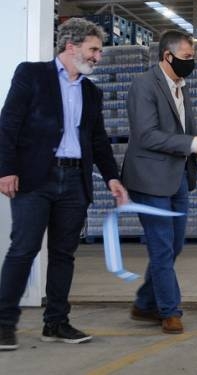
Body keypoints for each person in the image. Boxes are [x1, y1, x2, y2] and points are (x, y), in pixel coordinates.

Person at [0, 18, 128, 351]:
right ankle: (2, 324)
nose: (98, 56)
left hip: (74, 181)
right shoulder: (32, 75)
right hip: (35, 178)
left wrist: (113, 177)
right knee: (24, 250)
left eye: (99, 50)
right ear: (71, 47)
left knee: (63, 255)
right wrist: (6, 169)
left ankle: (56, 323)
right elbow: (8, 124)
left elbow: (98, 140)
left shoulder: (91, 91)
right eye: (94, 49)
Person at [121, 30, 197, 335]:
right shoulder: (143, 86)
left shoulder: (182, 88)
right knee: (163, 247)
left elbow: (186, 130)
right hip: (149, 179)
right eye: (187, 58)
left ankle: (143, 302)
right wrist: (194, 144)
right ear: (168, 56)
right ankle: (169, 310)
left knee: (174, 245)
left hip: (177, 177)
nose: (191, 63)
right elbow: (146, 134)